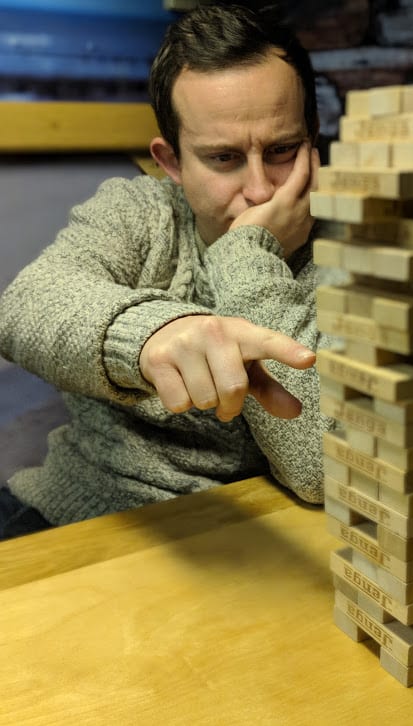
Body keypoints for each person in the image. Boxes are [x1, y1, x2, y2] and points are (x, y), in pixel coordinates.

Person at [0, 3, 338, 540]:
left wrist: (248, 253)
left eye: (281, 150)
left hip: (245, 536)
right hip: (77, 506)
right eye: (223, 158)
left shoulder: (352, 256)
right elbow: (22, 308)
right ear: (173, 162)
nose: (260, 189)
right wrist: (152, 334)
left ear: (313, 141)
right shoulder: (137, 213)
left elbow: (322, 469)